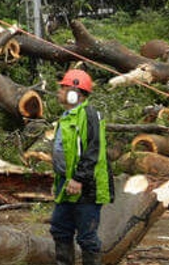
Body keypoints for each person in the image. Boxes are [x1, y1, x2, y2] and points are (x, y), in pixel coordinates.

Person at [50, 67, 112, 265]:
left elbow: (94, 149)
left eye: (63, 88)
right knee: (60, 228)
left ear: (74, 92)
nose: (59, 91)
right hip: (66, 184)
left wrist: (79, 178)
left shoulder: (89, 114)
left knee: (86, 237)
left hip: (86, 186)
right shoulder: (66, 116)